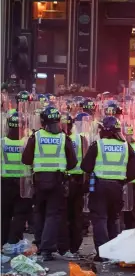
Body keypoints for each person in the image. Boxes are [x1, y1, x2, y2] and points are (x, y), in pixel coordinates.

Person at [80, 116, 135, 261]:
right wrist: (122, 181)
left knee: (100, 219)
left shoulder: (98, 145)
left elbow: (85, 166)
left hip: (100, 186)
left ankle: (102, 253)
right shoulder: (127, 146)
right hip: (117, 187)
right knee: (113, 219)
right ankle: (113, 252)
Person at [22, 106, 77, 261]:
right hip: (57, 181)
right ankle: (46, 250)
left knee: (39, 212)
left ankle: (39, 245)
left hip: (39, 181)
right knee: (53, 215)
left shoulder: (36, 136)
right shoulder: (63, 138)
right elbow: (72, 163)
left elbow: (26, 159)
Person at [56, 113, 89, 259]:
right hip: (78, 180)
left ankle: (65, 247)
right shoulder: (81, 139)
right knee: (76, 216)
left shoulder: (59, 138)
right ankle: (74, 247)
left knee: (63, 215)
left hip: (64, 180)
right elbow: (87, 161)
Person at [1, 112, 33, 247]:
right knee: (20, 214)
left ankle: (3, 242)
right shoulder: (26, 142)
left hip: (4, 182)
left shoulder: (2, 142)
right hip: (23, 183)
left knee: (4, 215)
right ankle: (13, 241)